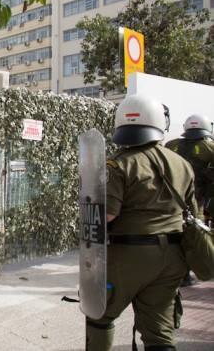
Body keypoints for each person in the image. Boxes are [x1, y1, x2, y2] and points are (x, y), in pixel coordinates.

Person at [85, 95, 199, 351]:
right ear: (159, 122)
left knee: (99, 314)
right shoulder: (182, 164)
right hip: (173, 257)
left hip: (129, 255)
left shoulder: (118, 164)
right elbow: (193, 213)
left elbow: (106, 215)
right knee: (159, 332)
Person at [165, 114, 214, 226]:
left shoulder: (170, 145)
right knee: (196, 229)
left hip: (170, 202)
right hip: (197, 202)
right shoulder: (210, 147)